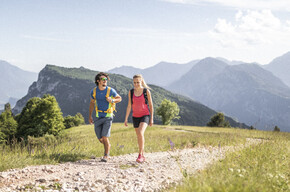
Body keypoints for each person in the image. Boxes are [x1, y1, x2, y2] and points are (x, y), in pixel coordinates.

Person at [89, 72, 122, 162]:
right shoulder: (94, 91)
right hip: (97, 117)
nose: (105, 81)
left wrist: (112, 100)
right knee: (100, 139)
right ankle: (108, 146)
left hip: (108, 116)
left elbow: (119, 98)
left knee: (104, 137)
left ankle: (106, 155)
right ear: (98, 81)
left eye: (106, 80)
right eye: (103, 80)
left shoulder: (110, 90)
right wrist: (90, 116)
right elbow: (92, 103)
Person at [124, 74, 154, 163]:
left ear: (141, 81)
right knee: (139, 136)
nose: (136, 84)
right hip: (135, 116)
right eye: (134, 82)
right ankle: (142, 154)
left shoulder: (146, 91)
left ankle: (140, 155)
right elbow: (129, 105)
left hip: (145, 115)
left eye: (138, 82)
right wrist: (126, 118)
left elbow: (151, 105)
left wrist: (151, 118)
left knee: (141, 133)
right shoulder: (131, 92)